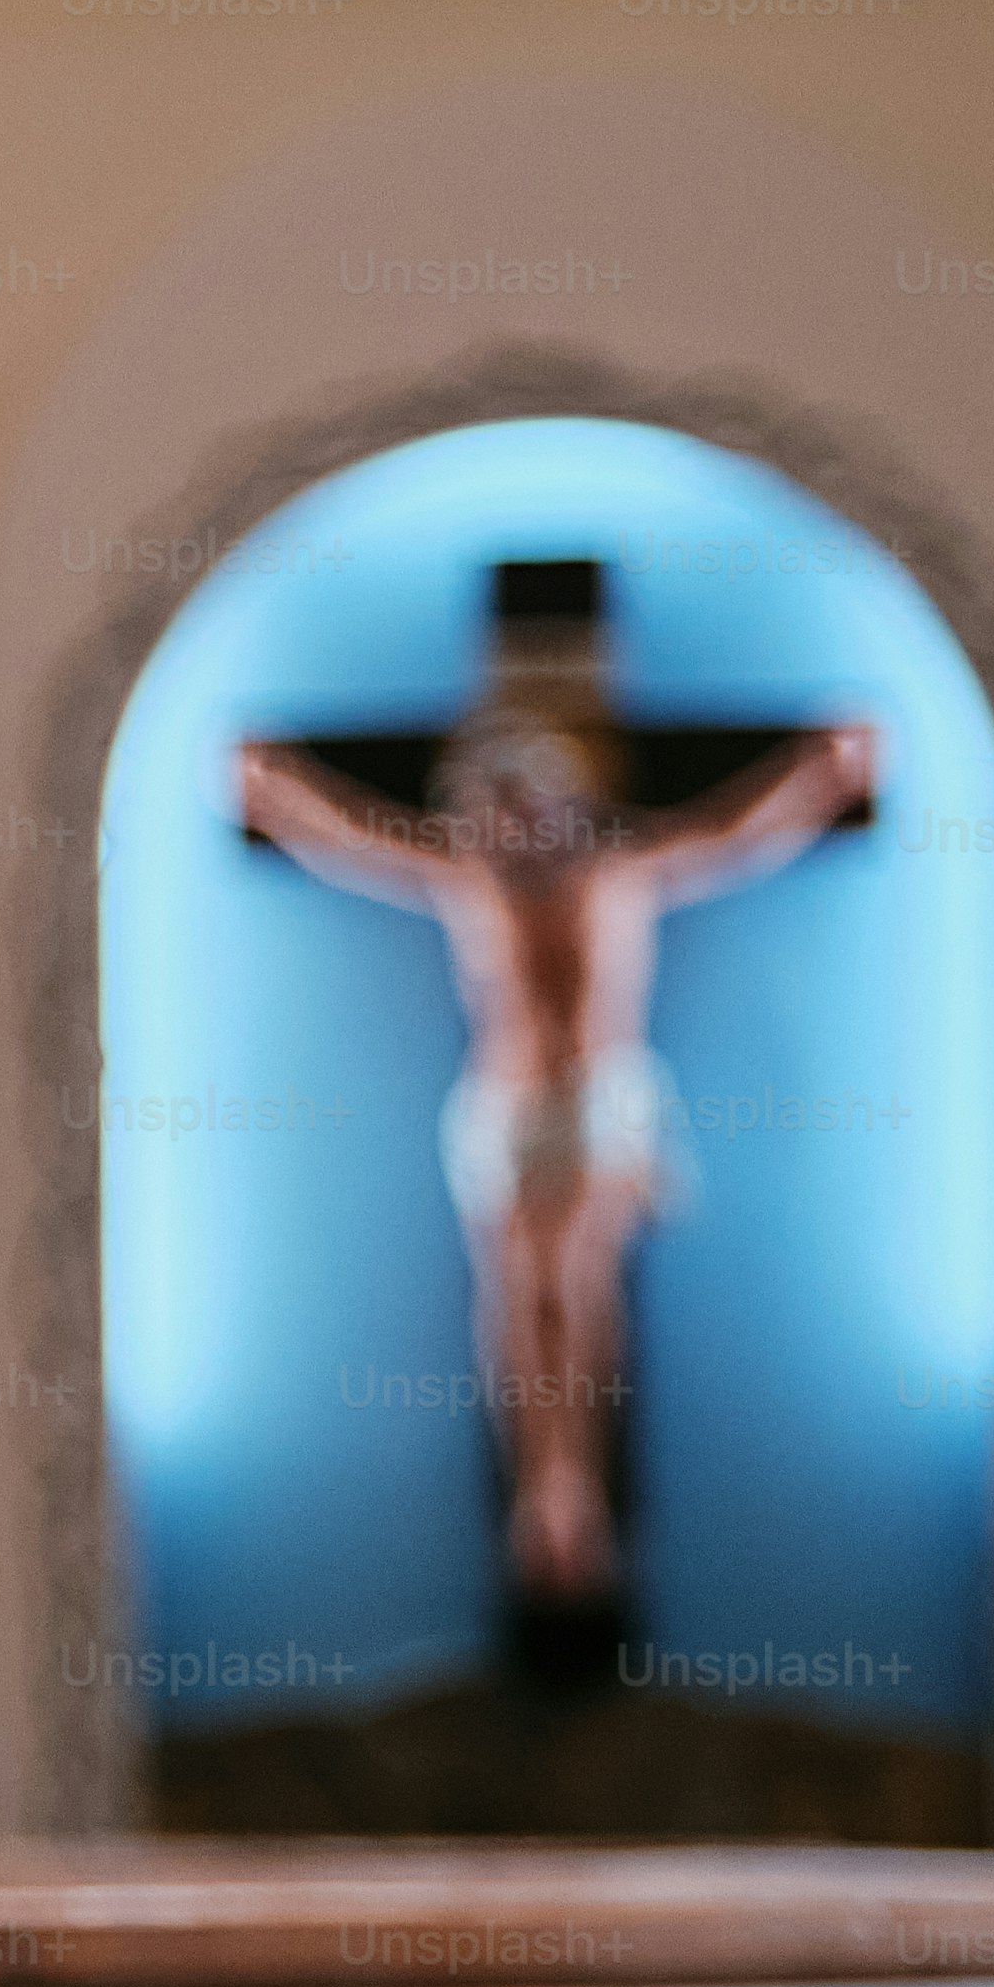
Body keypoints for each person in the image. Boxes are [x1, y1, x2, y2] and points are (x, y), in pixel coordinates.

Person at [234, 706, 878, 1653]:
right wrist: (274, 796)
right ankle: (540, 1492)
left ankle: (571, 1490)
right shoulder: (468, 882)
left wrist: (821, 778)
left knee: (573, 1284)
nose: (514, 825)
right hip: (504, 1110)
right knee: (514, 1298)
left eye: (527, 804)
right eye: (496, 807)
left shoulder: (619, 875)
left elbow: (736, 837)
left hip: (599, 1106)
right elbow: (355, 843)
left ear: (563, 804)